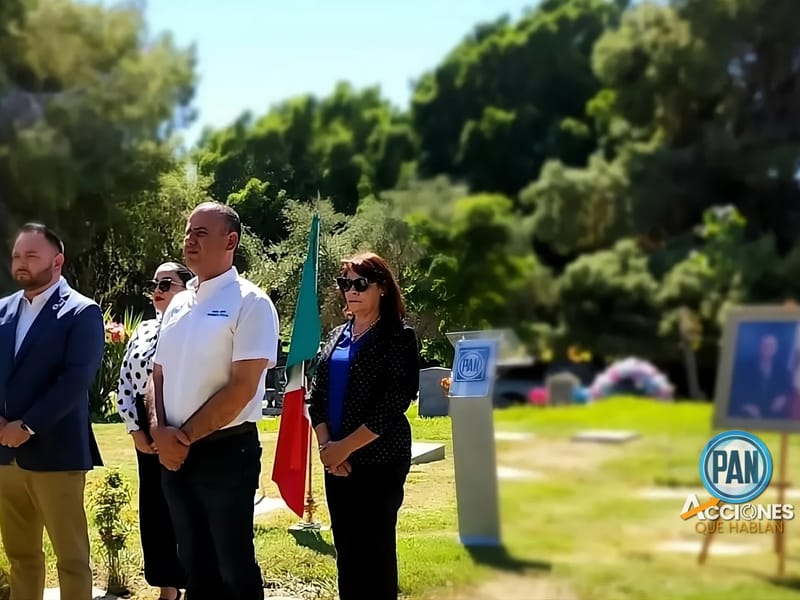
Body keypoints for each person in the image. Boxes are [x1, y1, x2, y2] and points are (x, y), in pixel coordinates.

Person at [150, 202, 280, 600]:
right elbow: (158, 373)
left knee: (233, 565)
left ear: (231, 240)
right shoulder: (177, 303)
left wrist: (182, 437)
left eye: (201, 233)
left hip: (226, 453)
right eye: (188, 232)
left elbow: (241, 387)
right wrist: (158, 430)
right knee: (193, 563)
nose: (190, 240)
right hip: (174, 455)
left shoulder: (251, 303)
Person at [0, 222, 105, 599]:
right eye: (16, 256)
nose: (21, 264)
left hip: (56, 454)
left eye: (31, 255)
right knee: (20, 555)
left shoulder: (81, 313)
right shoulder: (3, 310)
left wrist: (27, 426)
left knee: (71, 558)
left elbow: (75, 382)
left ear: (57, 261)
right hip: (4, 456)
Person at [309, 251, 420, 600]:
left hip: (379, 461)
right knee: (348, 552)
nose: (351, 290)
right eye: (346, 283)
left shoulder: (398, 337)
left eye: (361, 283)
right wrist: (328, 448)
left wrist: (346, 447)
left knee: (375, 553)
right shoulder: (337, 336)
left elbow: (393, 402)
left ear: (382, 287)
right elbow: (318, 394)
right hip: (336, 462)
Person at [117, 262, 193, 600]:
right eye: (154, 284)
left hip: (184, 431)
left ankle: (197, 584)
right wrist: (136, 431)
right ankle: (167, 588)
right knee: (155, 511)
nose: (157, 291)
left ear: (188, 287)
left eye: (166, 283)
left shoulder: (195, 326)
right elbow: (125, 383)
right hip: (145, 434)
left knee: (188, 511)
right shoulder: (145, 328)